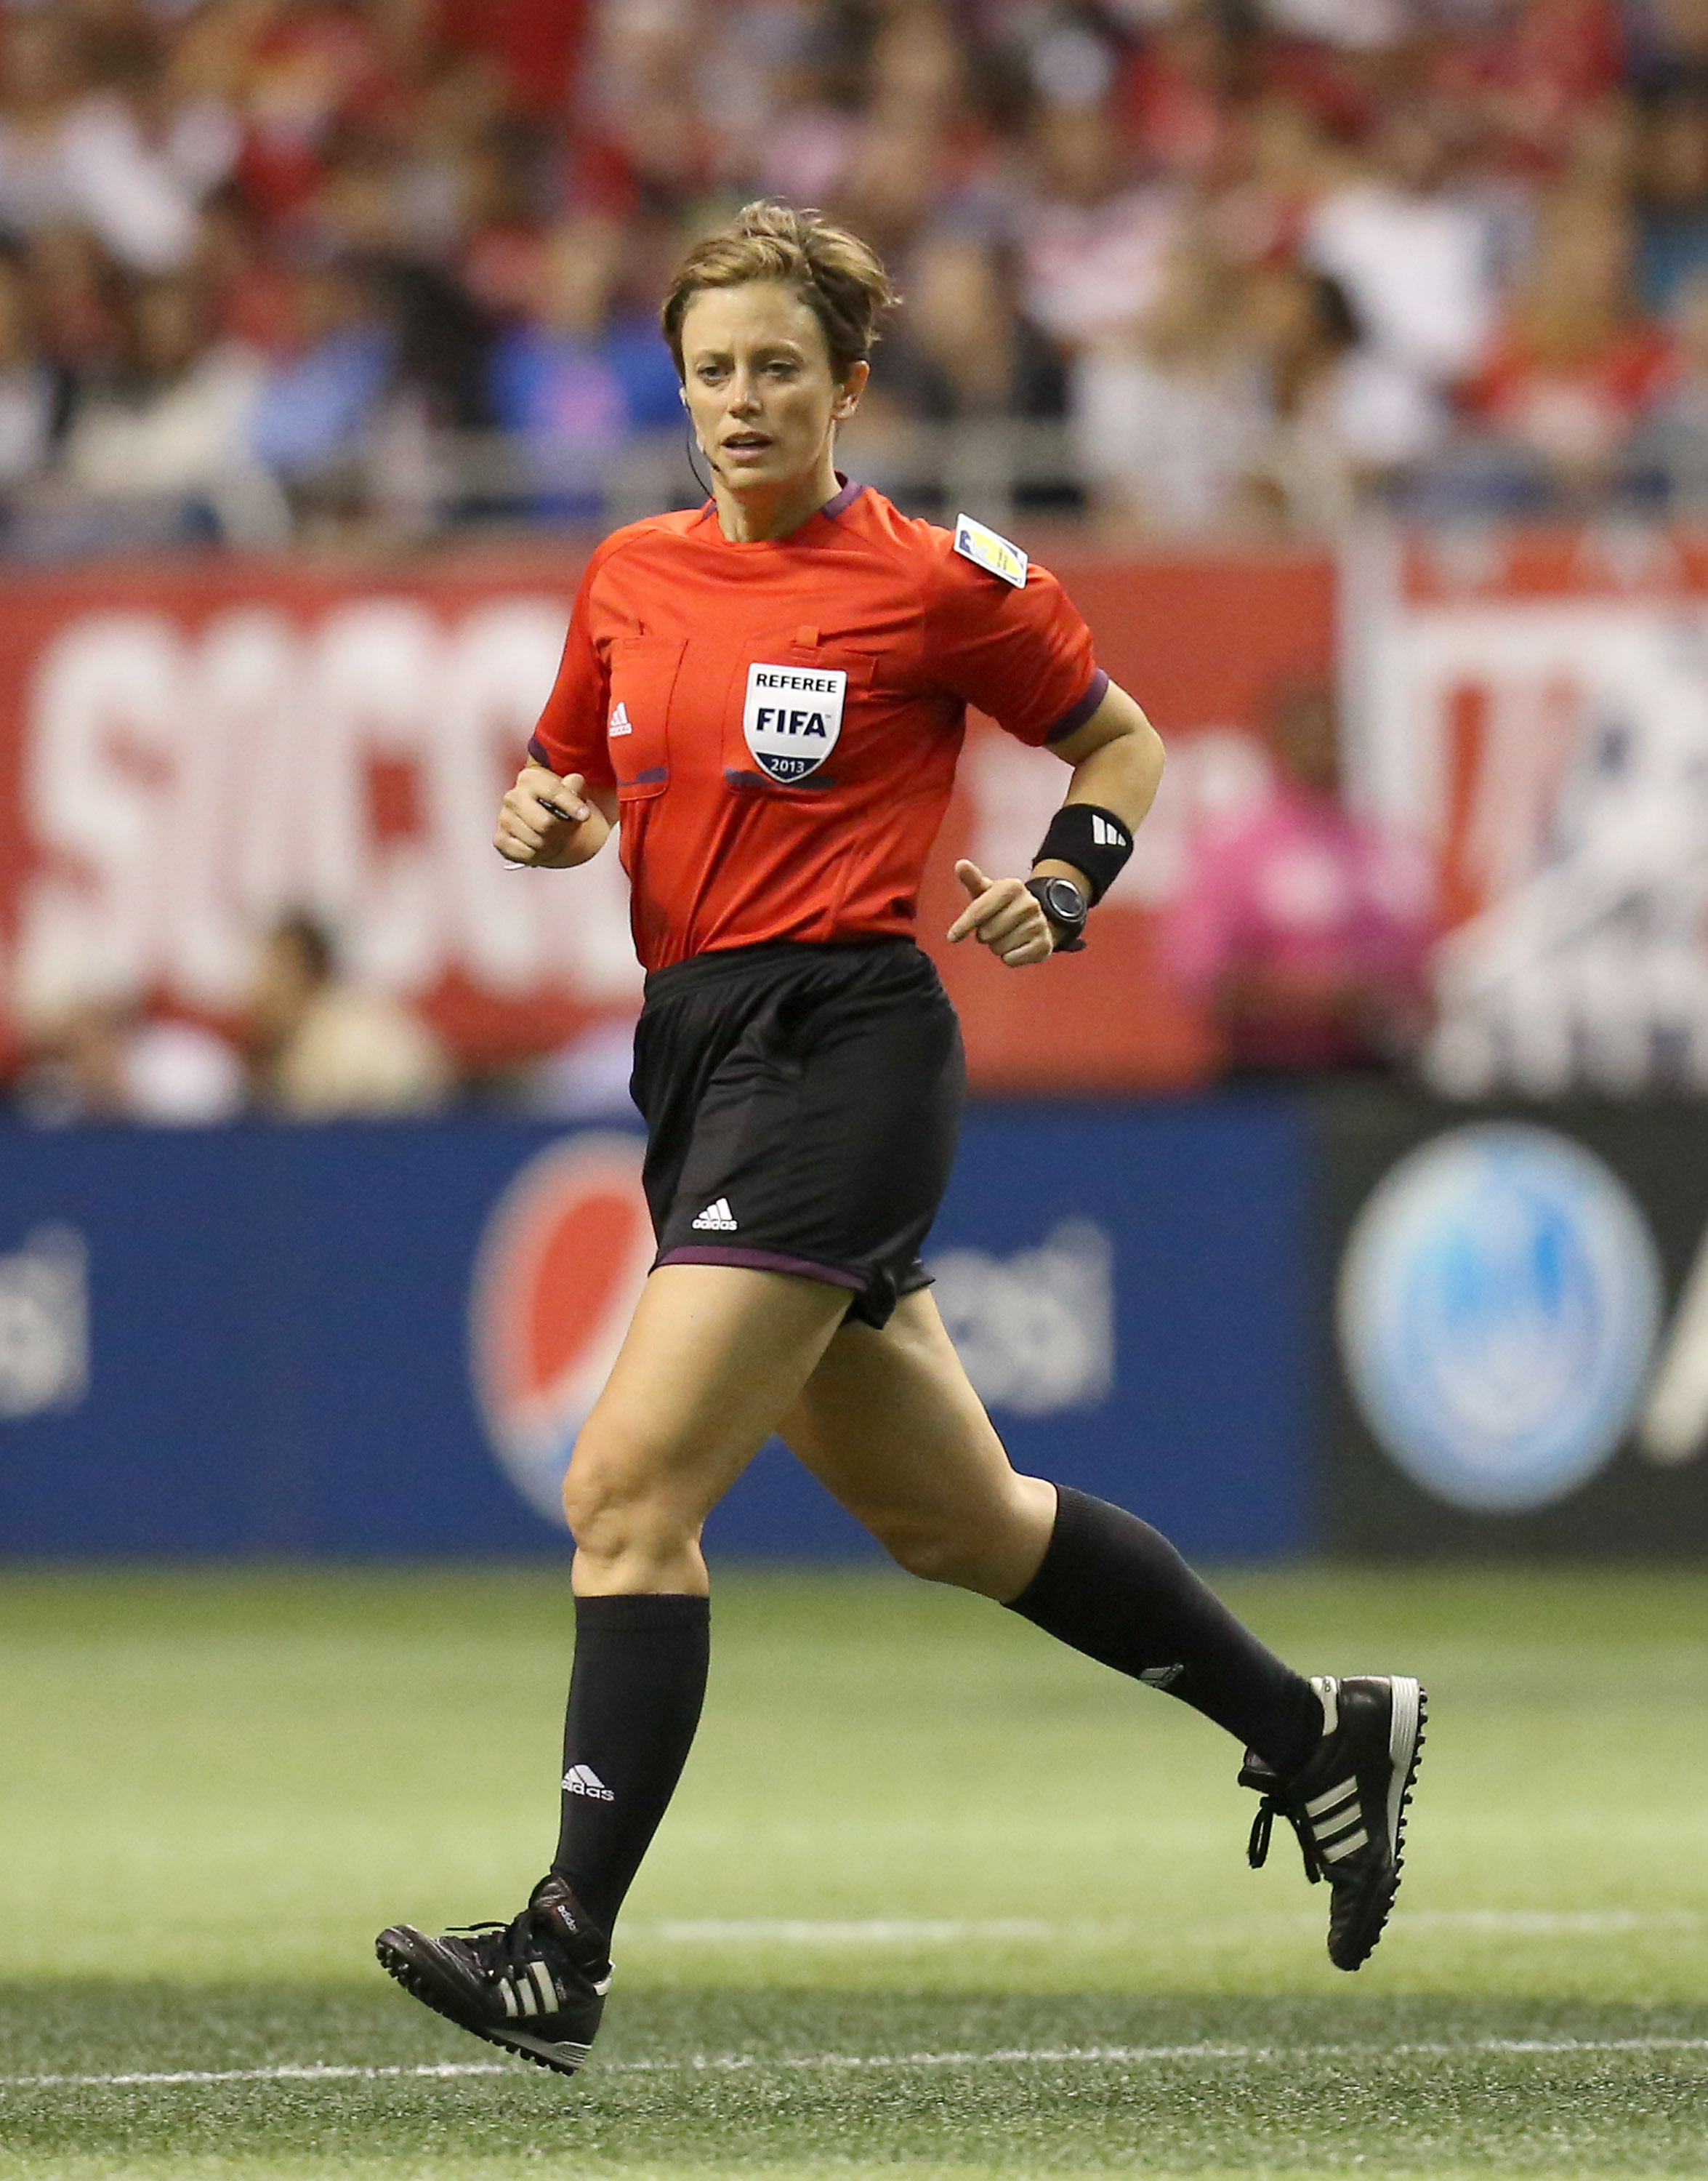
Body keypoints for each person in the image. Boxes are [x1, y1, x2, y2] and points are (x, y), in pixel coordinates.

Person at [375, 201, 1426, 2081]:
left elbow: (1121, 747)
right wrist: (549, 825)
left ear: (848, 385)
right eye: (711, 369)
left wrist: (1066, 881)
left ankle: (562, 1948)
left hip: (846, 1047)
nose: (741, 400)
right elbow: (572, 784)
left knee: (626, 1491)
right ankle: (1314, 1728)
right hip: (694, 1053)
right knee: (961, 1521)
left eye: (779, 366)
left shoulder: (940, 575)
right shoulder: (625, 573)